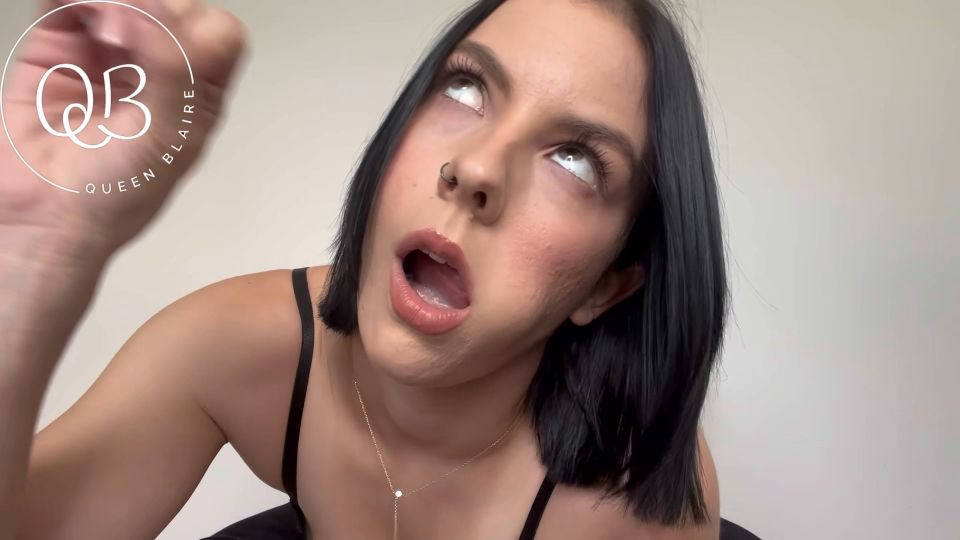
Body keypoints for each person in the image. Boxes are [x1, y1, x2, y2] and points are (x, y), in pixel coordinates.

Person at [0, 0, 728, 538]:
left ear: (607, 284)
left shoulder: (635, 498)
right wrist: (35, 247)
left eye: (575, 159)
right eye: (466, 87)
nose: (477, 167)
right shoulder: (238, 344)